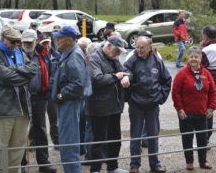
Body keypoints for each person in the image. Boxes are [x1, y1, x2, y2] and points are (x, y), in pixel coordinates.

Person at [0, 26, 37, 173]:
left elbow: (33, 68)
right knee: (1, 152)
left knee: (16, 151)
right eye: (12, 41)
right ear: (3, 38)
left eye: (17, 41)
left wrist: (14, 69)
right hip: (1, 110)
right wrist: (22, 74)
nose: (16, 45)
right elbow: (6, 77)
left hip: (22, 109)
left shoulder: (18, 50)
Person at [124, 36, 171, 173]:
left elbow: (167, 80)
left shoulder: (157, 60)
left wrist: (160, 97)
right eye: (137, 47)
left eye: (142, 47)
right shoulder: (131, 59)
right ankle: (134, 165)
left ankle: (155, 164)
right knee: (135, 136)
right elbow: (125, 73)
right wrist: (129, 97)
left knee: (153, 136)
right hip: (136, 105)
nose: (139, 50)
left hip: (152, 105)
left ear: (150, 47)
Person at [86, 36, 128, 173]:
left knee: (115, 139)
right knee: (99, 140)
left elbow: (125, 72)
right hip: (99, 108)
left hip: (115, 106)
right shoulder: (94, 58)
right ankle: (95, 169)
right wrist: (116, 77)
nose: (118, 54)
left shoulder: (114, 58)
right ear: (108, 46)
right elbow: (97, 79)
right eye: (117, 51)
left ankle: (113, 167)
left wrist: (126, 76)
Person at [172, 46, 216, 171]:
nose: (193, 59)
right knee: (187, 138)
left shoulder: (206, 73)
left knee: (202, 138)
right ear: (188, 58)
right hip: (186, 114)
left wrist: (211, 107)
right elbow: (175, 93)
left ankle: (203, 161)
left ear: (201, 58)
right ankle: (189, 162)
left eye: (196, 57)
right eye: (191, 57)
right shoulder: (182, 74)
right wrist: (179, 109)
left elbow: (213, 91)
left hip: (202, 113)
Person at [51, 26, 89, 173]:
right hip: (69, 103)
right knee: (68, 143)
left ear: (69, 40)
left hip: (70, 103)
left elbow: (78, 84)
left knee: (68, 145)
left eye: (60, 38)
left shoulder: (74, 56)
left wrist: (62, 95)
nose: (57, 40)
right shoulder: (68, 53)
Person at [21, 30, 56, 173]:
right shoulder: (17, 55)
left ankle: (44, 164)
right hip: (21, 99)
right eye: (25, 42)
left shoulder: (43, 55)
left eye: (30, 41)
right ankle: (22, 164)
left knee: (41, 130)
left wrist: (49, 88)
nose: (28, 44)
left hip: (40, 97)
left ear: (36, 41)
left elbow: (51, 72)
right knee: (21, 131)